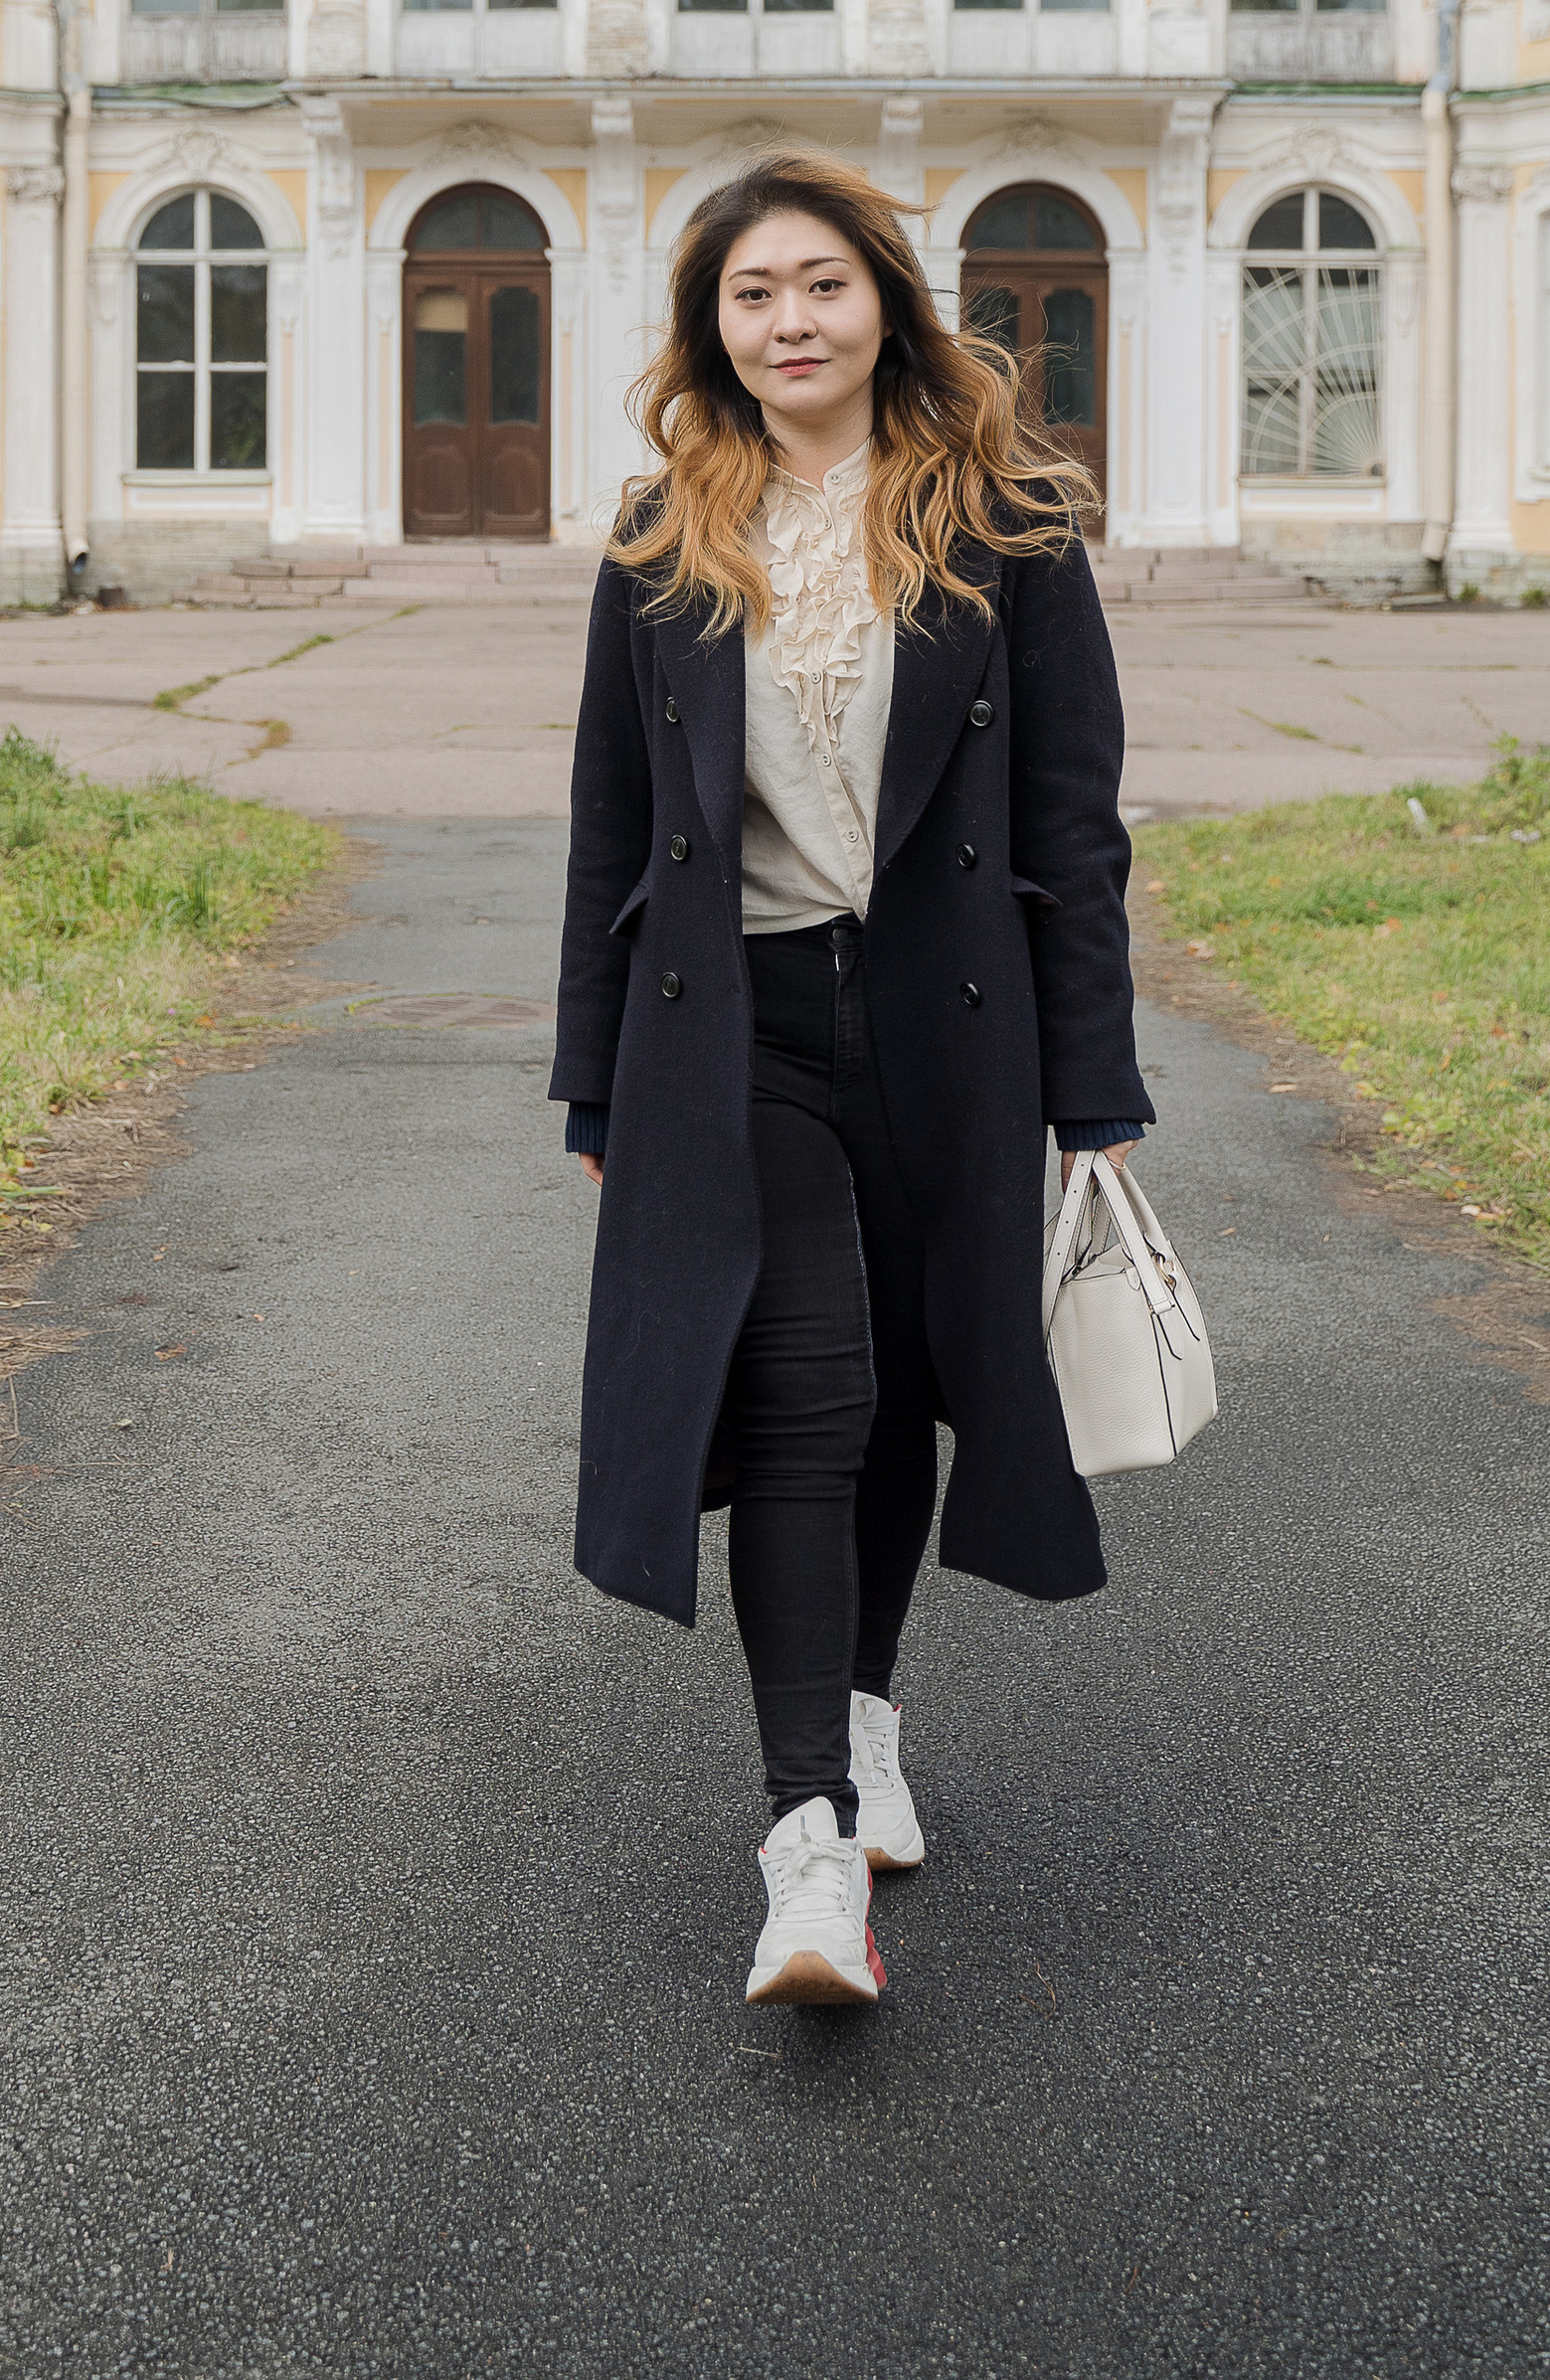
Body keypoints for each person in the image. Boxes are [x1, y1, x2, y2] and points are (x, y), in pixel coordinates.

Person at [551, 151, 1149, 2009]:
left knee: (902, 1390)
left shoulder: (1005, 523)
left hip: (950, 1025)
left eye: (818, 286)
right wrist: (594, 1081)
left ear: (884, 298)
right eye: (749, 296)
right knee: (803, 1392)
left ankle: (868, 1715)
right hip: (734, 1034)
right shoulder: (665, 537)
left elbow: (1073, 822)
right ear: (708, 328)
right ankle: (806, 1846)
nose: (786, 323)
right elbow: (608, 828)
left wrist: (1098, 1093)